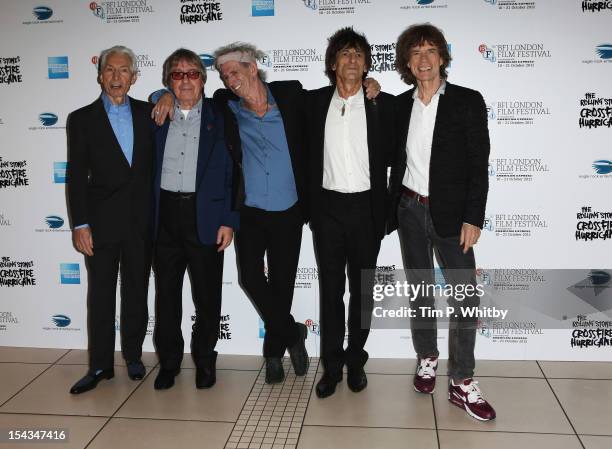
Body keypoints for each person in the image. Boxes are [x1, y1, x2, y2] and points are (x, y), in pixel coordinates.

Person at [388, 23, 496, 421]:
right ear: (407, 61)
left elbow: (477, 166)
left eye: (431, 50)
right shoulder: (399, 106)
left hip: (453, 216)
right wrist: (371, 92)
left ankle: (462, 380)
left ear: (442, 57)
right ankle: (427, 357)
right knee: (420, 289)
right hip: (410, 210)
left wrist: (473, 216)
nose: (424, 59)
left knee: (464, 297)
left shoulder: (467, 101)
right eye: (416, 52)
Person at [307, 27, 395, 398]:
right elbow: (239, 92)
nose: (352, 61)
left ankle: (356, 360)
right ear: (332, 63)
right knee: (330, 292)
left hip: (366, 211)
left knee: (362, 292)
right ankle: (331, 367)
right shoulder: (312, 103)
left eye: (359, 55)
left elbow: (400, 154)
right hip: (327, 210)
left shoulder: (382, 104)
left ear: (367, 66)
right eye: (345, 54)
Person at [67, 45, 153, 394]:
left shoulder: (151, 113)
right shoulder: (81, 119)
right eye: (110, 71)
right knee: (100, 297)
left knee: (136, 292)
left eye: (124, 71)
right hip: (100, 225)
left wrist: (163, 94)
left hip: (141, 223)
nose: (117, 78)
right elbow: (75, 177)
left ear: (134, 78)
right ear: (100, 75)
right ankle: (100, 365)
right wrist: (79, 224)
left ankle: (133, 356)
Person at [151, 48, 238, 390]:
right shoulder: (155, 116)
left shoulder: (223, 113)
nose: (185, 80)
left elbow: (234, 171)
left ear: (203, 79)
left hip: (208, 217)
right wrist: (160, 97)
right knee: (167, 295)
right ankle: (169, 363)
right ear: (167, 80)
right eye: (177, 74)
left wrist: (229, 219)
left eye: (192, 73)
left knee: (207, 297)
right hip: (165, 216)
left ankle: (205, 358)